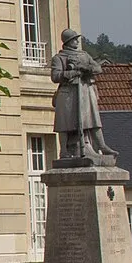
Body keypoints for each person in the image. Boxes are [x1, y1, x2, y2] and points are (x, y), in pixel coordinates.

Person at [50, 28, 113, 164]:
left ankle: (101, 145)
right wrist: (72, 72)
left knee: (92, 119)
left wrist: (85, 67)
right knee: (64, 123)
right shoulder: (59, 58)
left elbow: (98, 68)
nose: (77, 42)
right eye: (74, 39)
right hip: (68, 93)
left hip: (84, 91)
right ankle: (64, 151)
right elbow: (55, 76)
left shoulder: (84, 55)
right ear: (68, 42)